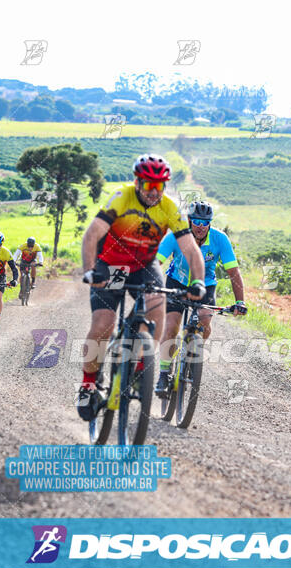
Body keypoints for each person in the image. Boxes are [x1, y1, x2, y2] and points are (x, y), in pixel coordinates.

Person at [77, 154, 206, 421]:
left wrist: (198, 281)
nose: (153, 192)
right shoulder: (121, 197)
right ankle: (88, 384)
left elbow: (191, 249)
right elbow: (92, 234)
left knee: (156, 315)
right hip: (110, 266)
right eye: (148, 185)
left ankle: (137, 368)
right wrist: (90, 269)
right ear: (137, 182)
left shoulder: (170, 208)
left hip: (144, 268)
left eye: (159, 187)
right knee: (103, 324)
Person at [155, 200, 248, 395]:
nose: (200, 226)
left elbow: (234, 273)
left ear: (210, 223)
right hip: (176, 283)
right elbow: (157, 263)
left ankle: (191, 352)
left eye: (205, 222)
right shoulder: (176, 236)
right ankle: (164, 373)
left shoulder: (219, 239)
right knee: (171, 325)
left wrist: (240, 302)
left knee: (205, 321)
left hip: (205, 286)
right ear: (189, 220)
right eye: (196, 221)